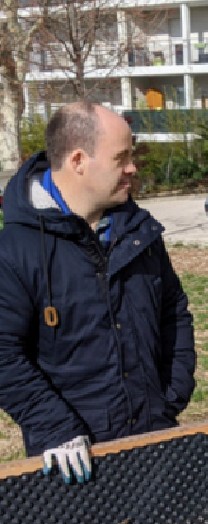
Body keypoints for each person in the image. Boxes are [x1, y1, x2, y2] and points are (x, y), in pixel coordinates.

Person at [0, 101, 196, 484]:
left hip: (153, 436)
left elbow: (174, 311)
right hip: (74, 458)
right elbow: (3, 353)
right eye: (121, 157)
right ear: (78, 160)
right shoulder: (15, 251)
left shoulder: (138, 232)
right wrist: (56, 428)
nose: (132, 168)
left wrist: (171, 395)